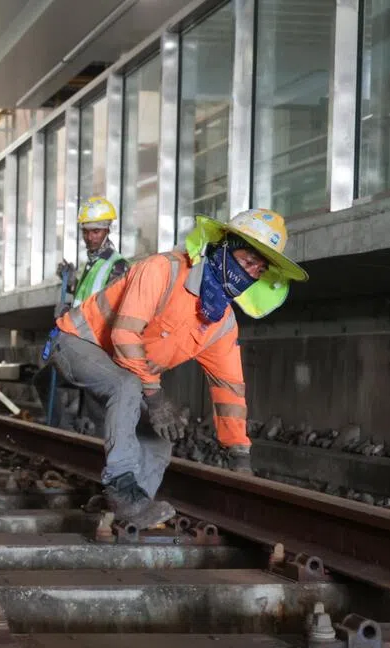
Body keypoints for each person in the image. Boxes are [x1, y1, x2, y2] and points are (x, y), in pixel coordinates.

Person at [46, 209, 307, 529]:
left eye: (257, 268)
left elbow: (230, 389)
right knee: (126, 385)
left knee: (158, 439)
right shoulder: (163, 270)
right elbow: (124, 335)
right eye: (246, 258)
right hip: (77, 343)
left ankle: (125, 511)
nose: (249, 271)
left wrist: (238, 453)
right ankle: (121, 490)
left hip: (123, 368)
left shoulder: (220, 323)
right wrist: (156, 400)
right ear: (223, 245)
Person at [44, 197, 131, 434]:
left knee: (100, 412)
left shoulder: (118, 266)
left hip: (99, 348)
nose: (90, 237)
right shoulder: (91, 265)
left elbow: (108, 309)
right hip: (81, 342)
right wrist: (71, 283)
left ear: (107, 230)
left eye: (96, 232)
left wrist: (69, 314)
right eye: (86, 232)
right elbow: (87, 298)